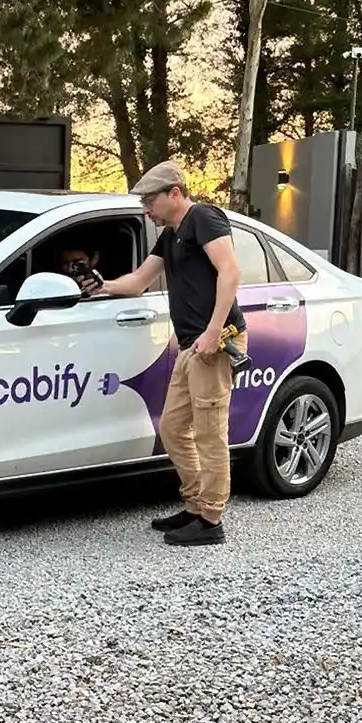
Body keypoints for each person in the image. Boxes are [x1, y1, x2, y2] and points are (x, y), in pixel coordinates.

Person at [94, 160, 247, 547]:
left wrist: (213, 332)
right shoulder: (170, 235)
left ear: (174, 194)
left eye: (150, 200)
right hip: (193, 345)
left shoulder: (204, 219)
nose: (146, 209)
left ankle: (211, 520)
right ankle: (195, 505)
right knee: (173, 428)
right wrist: (99, 287)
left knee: (211, 434)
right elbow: (139, 282)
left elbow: (230, 273)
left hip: (215, 341)